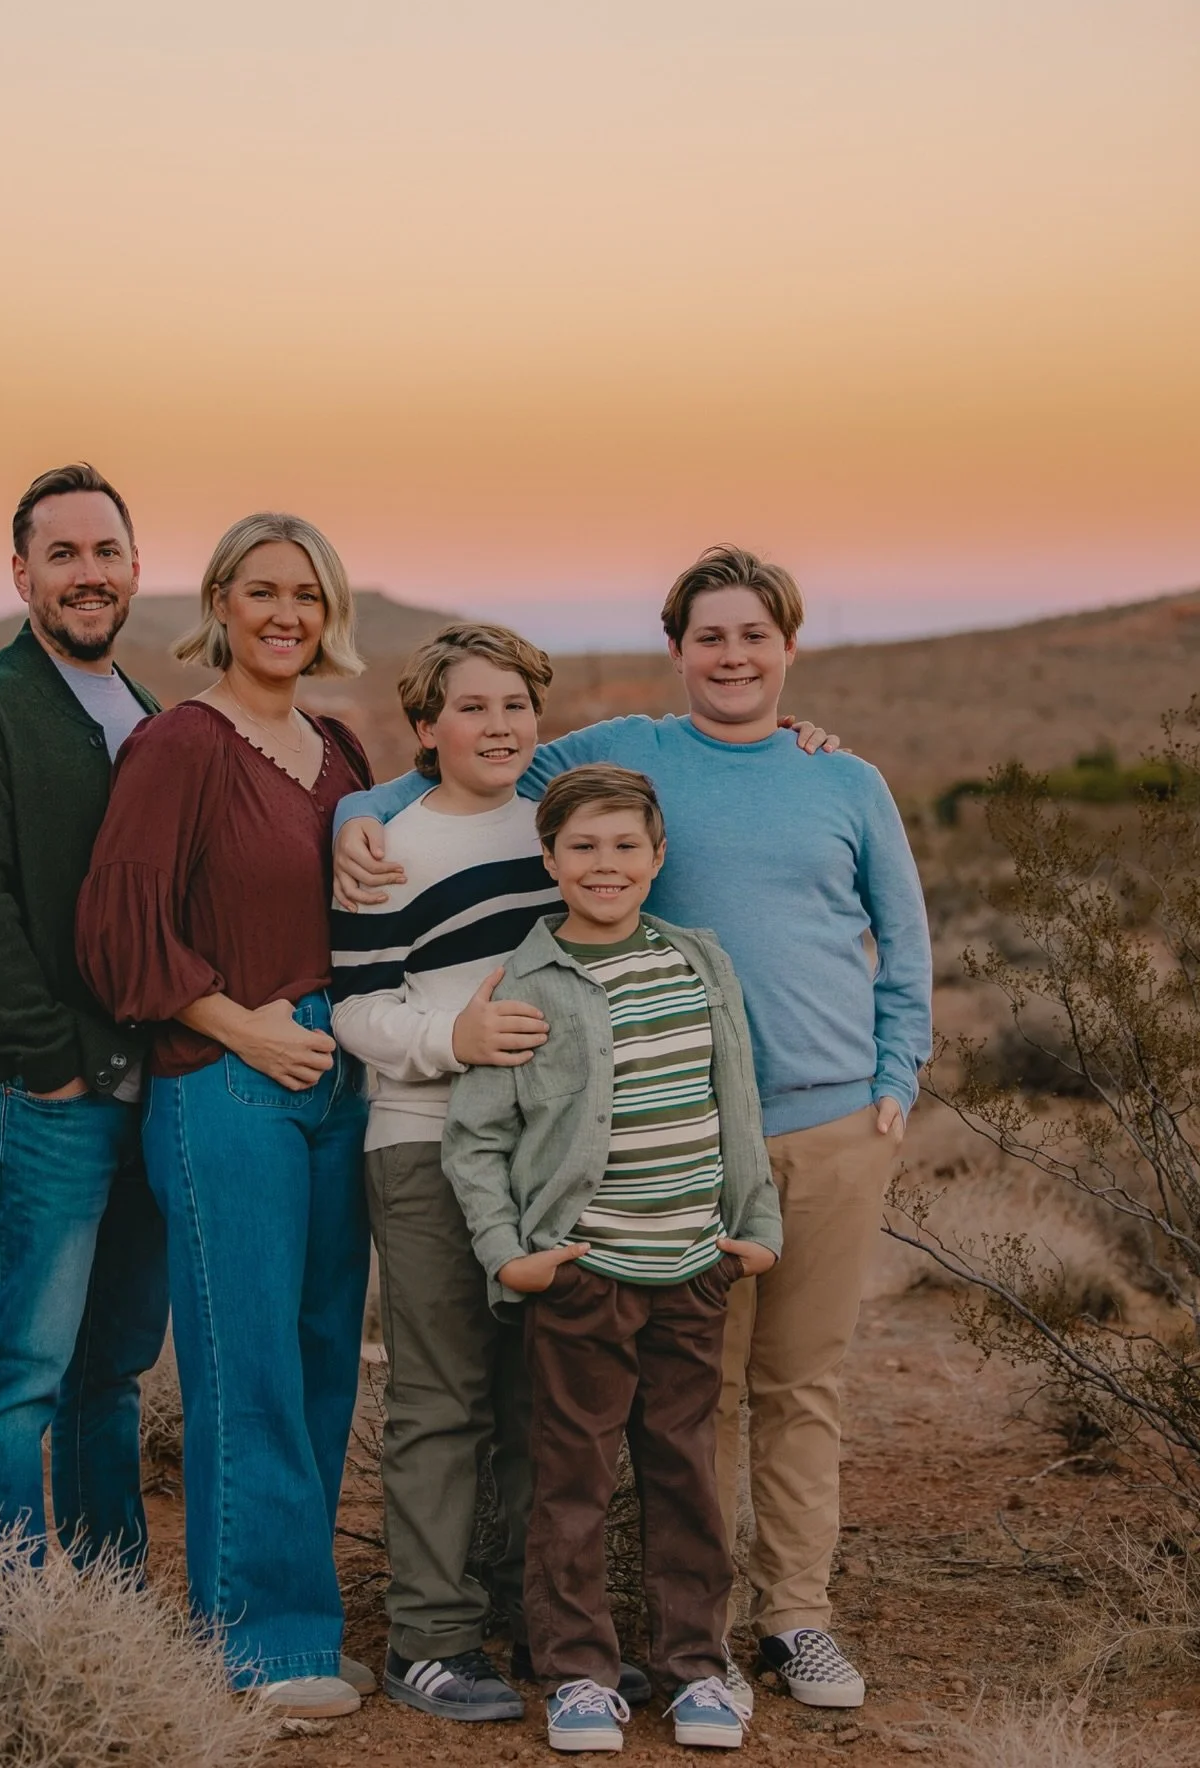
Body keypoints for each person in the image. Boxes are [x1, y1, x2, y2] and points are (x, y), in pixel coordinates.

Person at [334, 547, 932, 1709]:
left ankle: (793, 1621)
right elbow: (475, 767)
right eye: (710, 636)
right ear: (678, 650)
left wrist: (896, 1073)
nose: (733, 656)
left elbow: (903, 942)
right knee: (682, 1402)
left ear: (788, 648)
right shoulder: (625, 755)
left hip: (828, 1121)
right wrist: (363, 809)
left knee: (801, 1386)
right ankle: (670, 1644)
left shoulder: (845, 780)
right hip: (671, 1139)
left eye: (754, 635)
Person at [76, 513, 374, 1719]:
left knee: (318, 1359)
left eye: (307, 594)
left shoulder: (340, 745)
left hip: (339, 1080)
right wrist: (242, 1026)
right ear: (218, 601)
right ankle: (255, 1645)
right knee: (241, 1357)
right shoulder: (179, 744)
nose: (286, 614)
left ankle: (298, 1619)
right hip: (225, 1079)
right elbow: (117, 924)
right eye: (263, 592)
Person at [330, 623, 648, 1722]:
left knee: (543, 1395)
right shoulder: (386, 844)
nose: (499, 724)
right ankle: (429, 1637)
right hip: (421, 1139)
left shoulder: (558, 835)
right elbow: (358, 1006)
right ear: (426, 728)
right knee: (441, 1394)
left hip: (552, 1156)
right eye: (472, 707)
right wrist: (451, 1043)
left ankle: (546, 1624)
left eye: (515, 704)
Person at [442, 766, 782, 1753]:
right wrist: (513, 1258)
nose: (605, 865)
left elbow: (739, 1101)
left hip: (692, 1269)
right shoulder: (526, 983)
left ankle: (694, 1670)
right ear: (549, 860)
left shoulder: (699, 962)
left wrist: (755, 1231)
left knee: (684, 1476)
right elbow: (475, 1140)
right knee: (572, 1481)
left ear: (658, 857)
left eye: (625, 846)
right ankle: (580, 1675)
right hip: (584, 1278)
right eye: (582, 847)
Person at [0, 462, 168, 1567]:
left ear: (136, 569)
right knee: (22, 1372)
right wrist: (53, 1061)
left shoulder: (146, 713)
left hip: (145, 1094)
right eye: (61, 554)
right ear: (21, 573)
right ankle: (9, 1628)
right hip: (41, 1096)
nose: (87, 573)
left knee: (110, 1374)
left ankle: (107, 1612)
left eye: (105, 551)